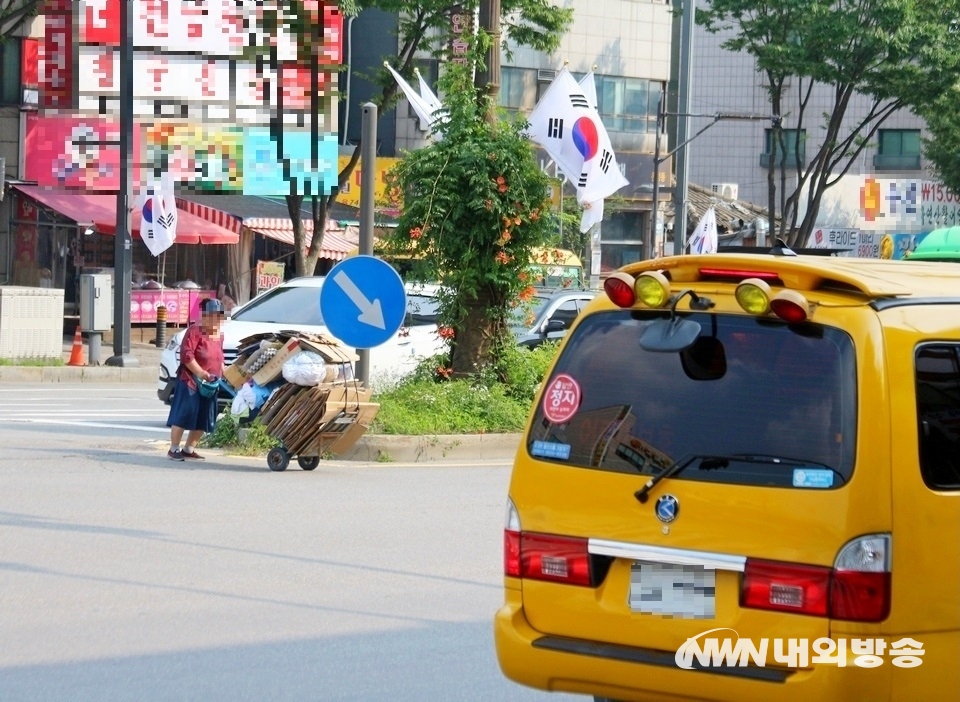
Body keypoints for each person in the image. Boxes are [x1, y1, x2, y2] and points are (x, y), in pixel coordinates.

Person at [166, 298, 226, 461]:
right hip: (191, 381)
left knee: (204, 416)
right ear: (204, 316)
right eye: (212, 316)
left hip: (211, 383)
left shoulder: (219, 335)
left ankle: (189, 448)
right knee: (184, 413)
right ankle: (174, 448)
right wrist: (201, 373)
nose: (216, 320)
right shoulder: (194, 331)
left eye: (219, 317)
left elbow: (219, 357)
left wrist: (224, 371)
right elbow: (187, 356)